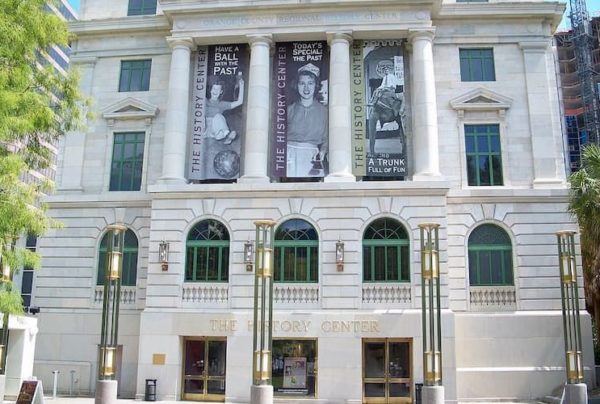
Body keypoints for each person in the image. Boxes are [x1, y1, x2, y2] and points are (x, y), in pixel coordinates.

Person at [286, 63, 328, 177]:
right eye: (302, 83)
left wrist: (322, 152)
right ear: (296, 85)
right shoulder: (288, 110)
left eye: (310, 83)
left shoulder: (324, 112)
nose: (306, 88)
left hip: (311, 157)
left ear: (316, 85)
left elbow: (326, 138)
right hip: (289, 155)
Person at [205, 73, 244, 145]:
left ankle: (227, 136)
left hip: (215, 131)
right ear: (211, 90)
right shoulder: (203, 100)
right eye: (214, 88)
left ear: (221, 92)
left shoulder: (222, 104)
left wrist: (241, 85)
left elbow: (240, 102)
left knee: (218, 116)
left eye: (218, 89)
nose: (215, 91)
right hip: (202, 128)